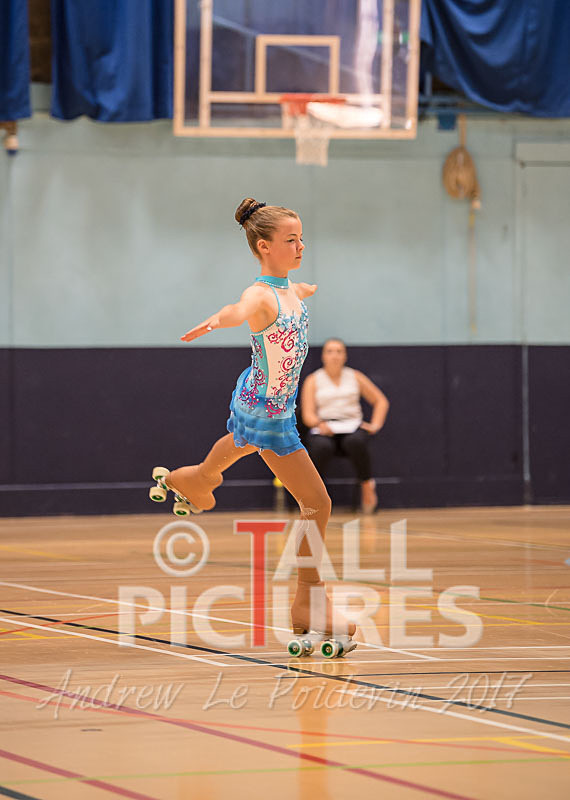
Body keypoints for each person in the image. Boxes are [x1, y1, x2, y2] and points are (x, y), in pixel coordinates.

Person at [162, 198, 356, 643]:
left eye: (302, 237)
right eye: (291, 240)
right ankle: (310, 599)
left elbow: (297, 293)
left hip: (265, 401)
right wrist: (214, 321)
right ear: (265, 246)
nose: (301, 245)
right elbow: (240, 308)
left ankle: (197, 478)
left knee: (240, 439)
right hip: (270, 410)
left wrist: (307, 289)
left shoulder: (289, 289)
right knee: (317, 503)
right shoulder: (261, 295)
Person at [301, 339, 389, 513]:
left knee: (355, 442)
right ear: (323, 356)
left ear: (345, 356)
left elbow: (381, 401)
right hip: (325, 427)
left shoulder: (355, 376)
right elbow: (308, 414)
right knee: (320, 447)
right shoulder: (313, 380)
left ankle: (367, 486)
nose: (335, 355)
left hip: (351, 426)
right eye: (330, 351)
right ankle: (315, 495)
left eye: (339, 351)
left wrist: (375, 425)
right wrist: (319, 424)